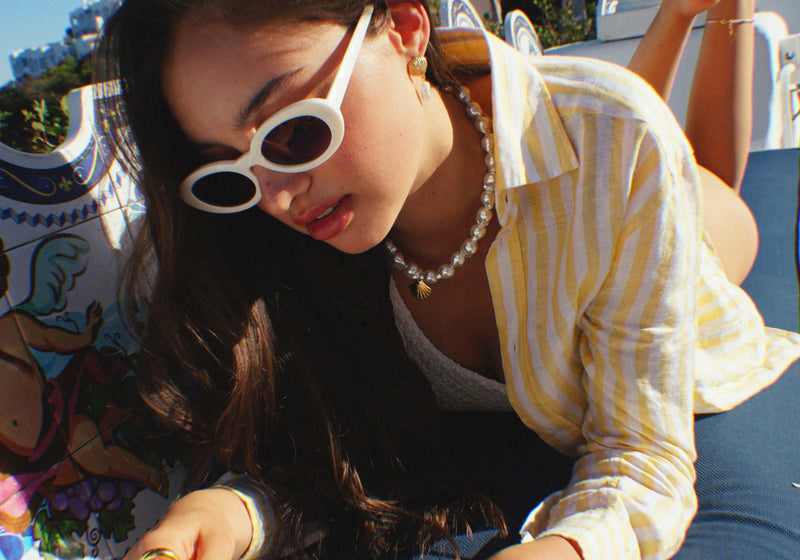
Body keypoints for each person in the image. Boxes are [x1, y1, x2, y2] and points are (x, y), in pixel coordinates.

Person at [95, 0, 800, 558]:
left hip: (701, 238)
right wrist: (235, 509)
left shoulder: (611, 140)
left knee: (694, 174)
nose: (278, 197)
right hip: (594, 179)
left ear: (404, 24)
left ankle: (698, 11)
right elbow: (340, 447)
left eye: (293, 130)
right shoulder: (294, 233)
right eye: (229, 172)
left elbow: (644, 455)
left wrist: (565, 549)